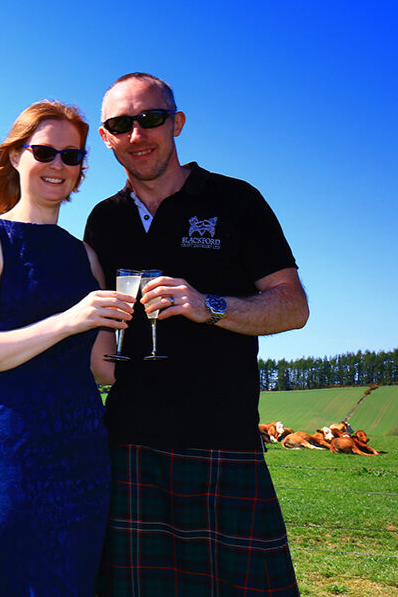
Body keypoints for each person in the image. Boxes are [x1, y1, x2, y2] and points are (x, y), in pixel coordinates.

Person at [84, 73, 309, 596]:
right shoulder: (104, 220)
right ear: (106, 137)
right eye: (121, 124)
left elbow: (293, 307)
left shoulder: (236, 200)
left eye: (151, 118)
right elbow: (97, 338)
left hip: (222, 443)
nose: (137, 134)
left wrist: (207, 305)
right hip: (129, 445)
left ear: (176, 122)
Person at [0, 100, 134, 596]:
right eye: (45, 152)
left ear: (80, 171)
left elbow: (102, 366)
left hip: (85, 449)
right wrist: (67, 321)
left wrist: (164, 341)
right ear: (16, 156)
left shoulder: (85, 254)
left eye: (71, 157)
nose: (58, 166)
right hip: (17, 447)